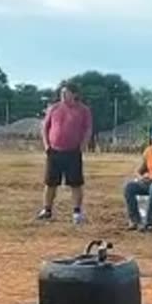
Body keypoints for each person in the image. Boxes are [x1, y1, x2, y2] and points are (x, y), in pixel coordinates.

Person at [38, 83, 93, 224]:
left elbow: (87, 129)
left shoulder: (83, 110)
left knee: (75, 183)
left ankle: (77, 212)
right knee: (50, 183)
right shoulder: (54, 108)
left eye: (66, 93)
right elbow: (45, 127)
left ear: (74, 94)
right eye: (62, 93)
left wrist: (82, 146)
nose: (63, 95)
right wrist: (46, 146)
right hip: (54, 151)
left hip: (73, 152)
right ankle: (47, 210)